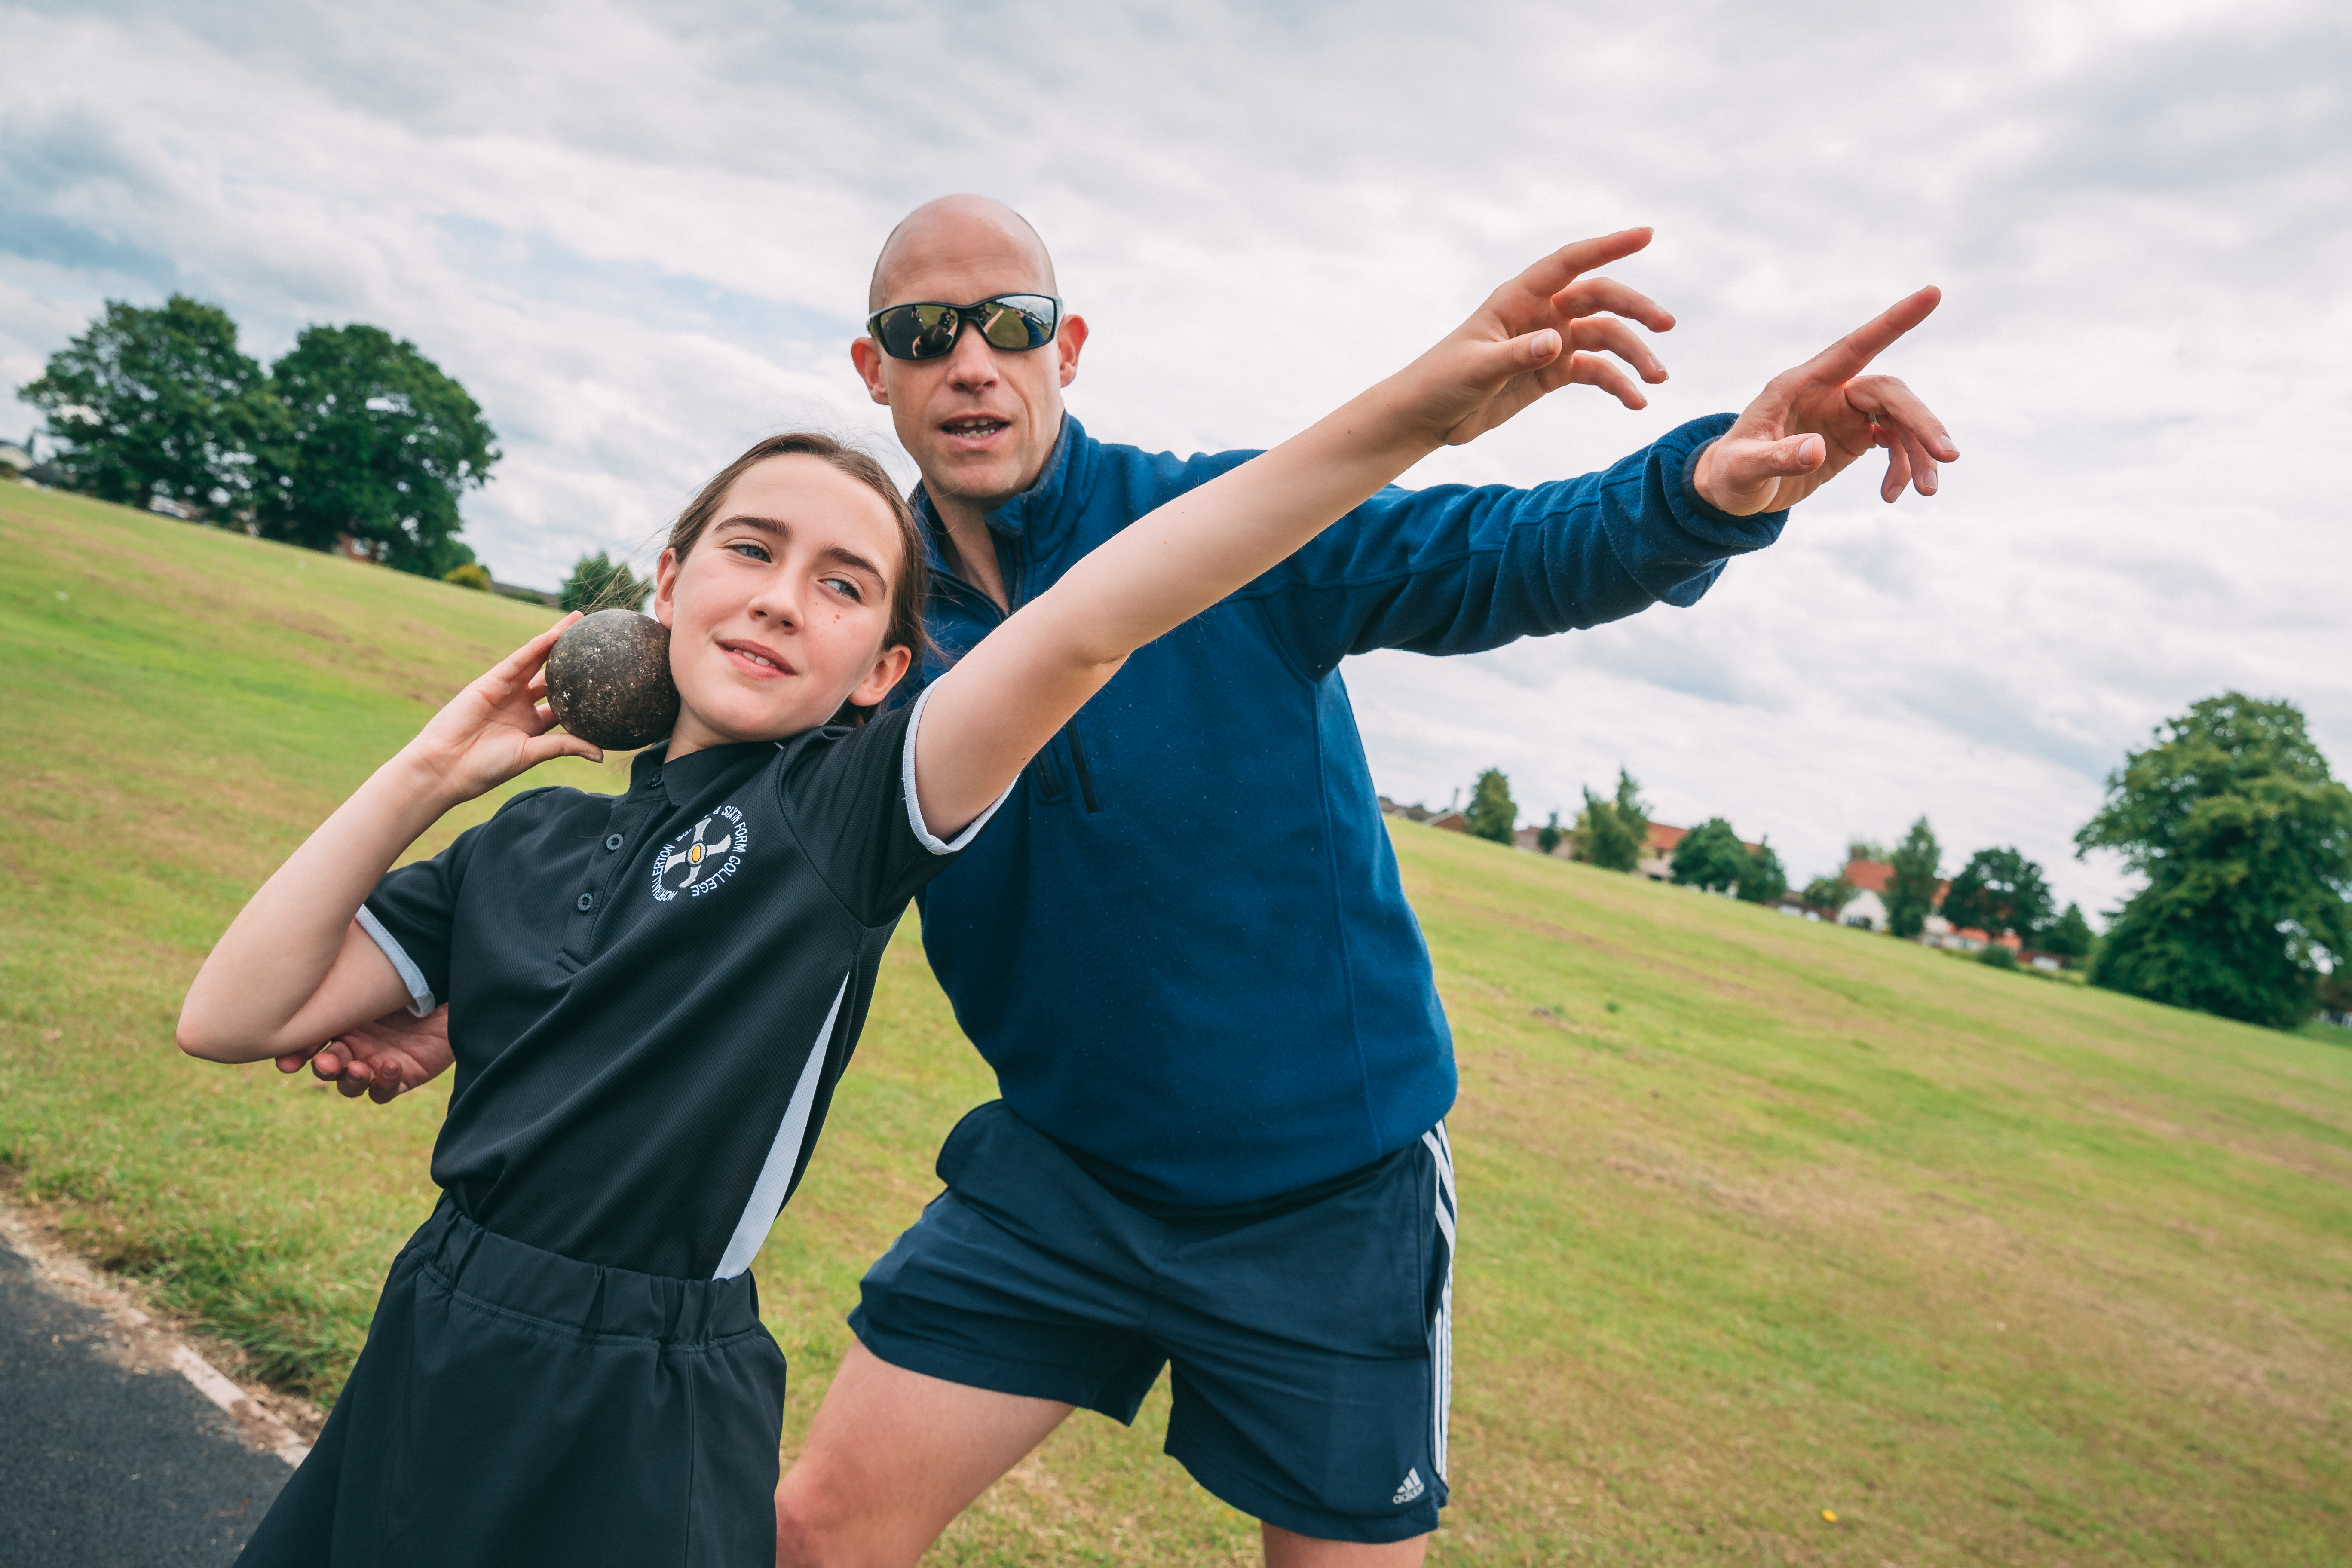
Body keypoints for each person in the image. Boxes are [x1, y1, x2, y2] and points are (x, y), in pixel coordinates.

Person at [304, 199, 1954, 1565]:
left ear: (1067, 350)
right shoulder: (868, 630)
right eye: (927, 335)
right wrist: (484, 987)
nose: (973, 362)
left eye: (1011, 325)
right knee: (811, 1536)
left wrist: (1698, 490)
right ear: (873, 373)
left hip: (1329, 1190)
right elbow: (713, 829)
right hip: (1064, 1180)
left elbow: (1488, 553)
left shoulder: (1214, 528)